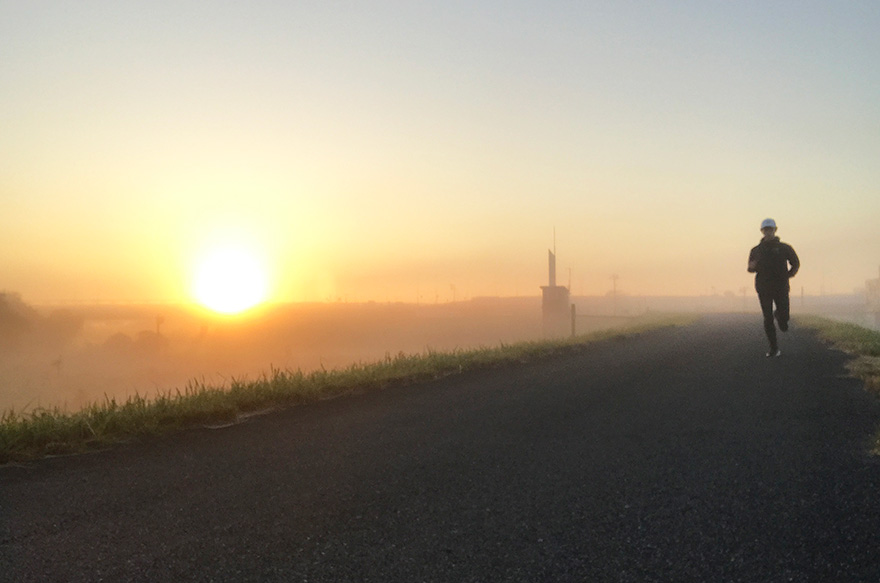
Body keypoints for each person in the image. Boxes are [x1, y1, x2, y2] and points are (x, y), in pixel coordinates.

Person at [748, 218, 800, 357]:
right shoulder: (756, 250)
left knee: (784, 317)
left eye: (770, 229)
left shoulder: (784, 248)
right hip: (763, 287)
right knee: (767, 317)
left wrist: (789, 275)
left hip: (781, 286)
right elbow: (750, 268)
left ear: (775, 230)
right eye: (766, 230)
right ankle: (774, 348)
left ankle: (781, 318)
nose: (768, 232)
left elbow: (795, 263)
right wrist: (751, 267)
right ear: (762, 231)